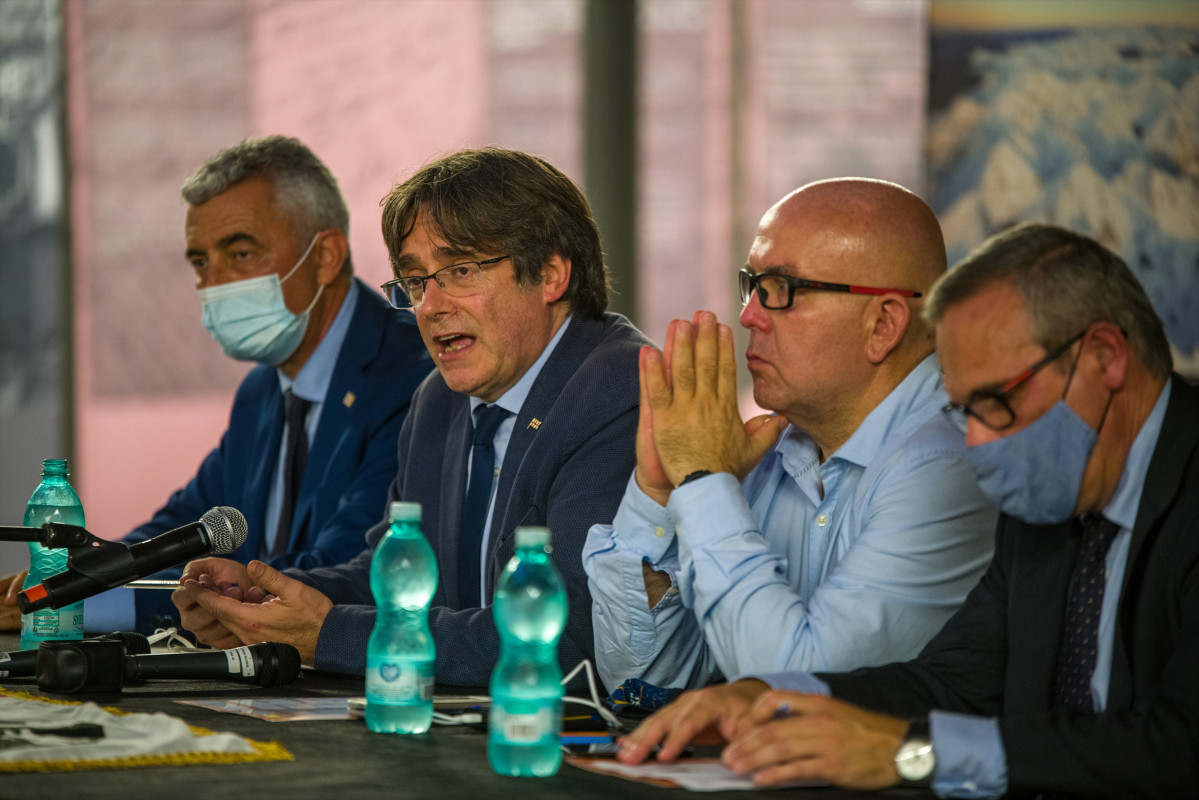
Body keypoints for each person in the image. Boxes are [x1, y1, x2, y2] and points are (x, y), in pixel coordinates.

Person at [619, 223, 1199, 800]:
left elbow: (1178, 744)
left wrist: (910, 754)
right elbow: (958, 680)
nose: (975, 441)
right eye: (963, 408)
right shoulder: (1054, 493)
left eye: (997, 401)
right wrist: (777, 696)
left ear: (1104, 356)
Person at [171, 147, 651, 686]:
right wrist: (261, 599)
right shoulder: (438, 399)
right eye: (417, 281)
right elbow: (392, 578)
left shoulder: (618, 389)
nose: (430, 306)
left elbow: (566, 641)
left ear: (550, 274)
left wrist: (328, 633)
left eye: (461, 270)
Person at [0, 135, 432, 634]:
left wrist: (83, 609)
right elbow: (182, 531)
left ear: (327, 255)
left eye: (240, 252)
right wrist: (70, 582)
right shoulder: (262, 391)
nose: (215, 284)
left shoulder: (414, 375)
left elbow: (342, 570)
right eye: (201, 263)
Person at [582, 178, 996, 693]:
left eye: (782, 290)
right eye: (752, 284)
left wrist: (706, 479)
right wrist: (661, 489)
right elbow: (644, 679)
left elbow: (799, 684)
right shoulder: (775, 447)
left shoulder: (949, 465)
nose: (749, 314)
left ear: (883, 325)